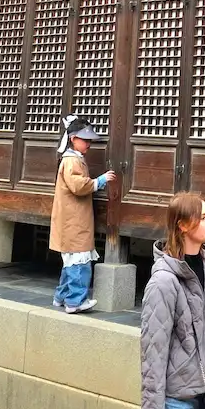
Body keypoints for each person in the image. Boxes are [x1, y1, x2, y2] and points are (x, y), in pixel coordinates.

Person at [140, 193, 205, 409]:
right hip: (176, 401)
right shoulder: (163, 281)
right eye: (202, 217)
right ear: (182, 225)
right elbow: (153, 351)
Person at [50, 114, 116, 314]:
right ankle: (75, 301)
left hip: (72, 219)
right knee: (79, 261)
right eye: (84, 139)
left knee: (70, 261)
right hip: (73, 221)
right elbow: (78, 186)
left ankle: (61, 297)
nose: (88, 143)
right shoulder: (72, 161)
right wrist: (101, 181)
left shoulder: (74, 159)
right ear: (73, 139)